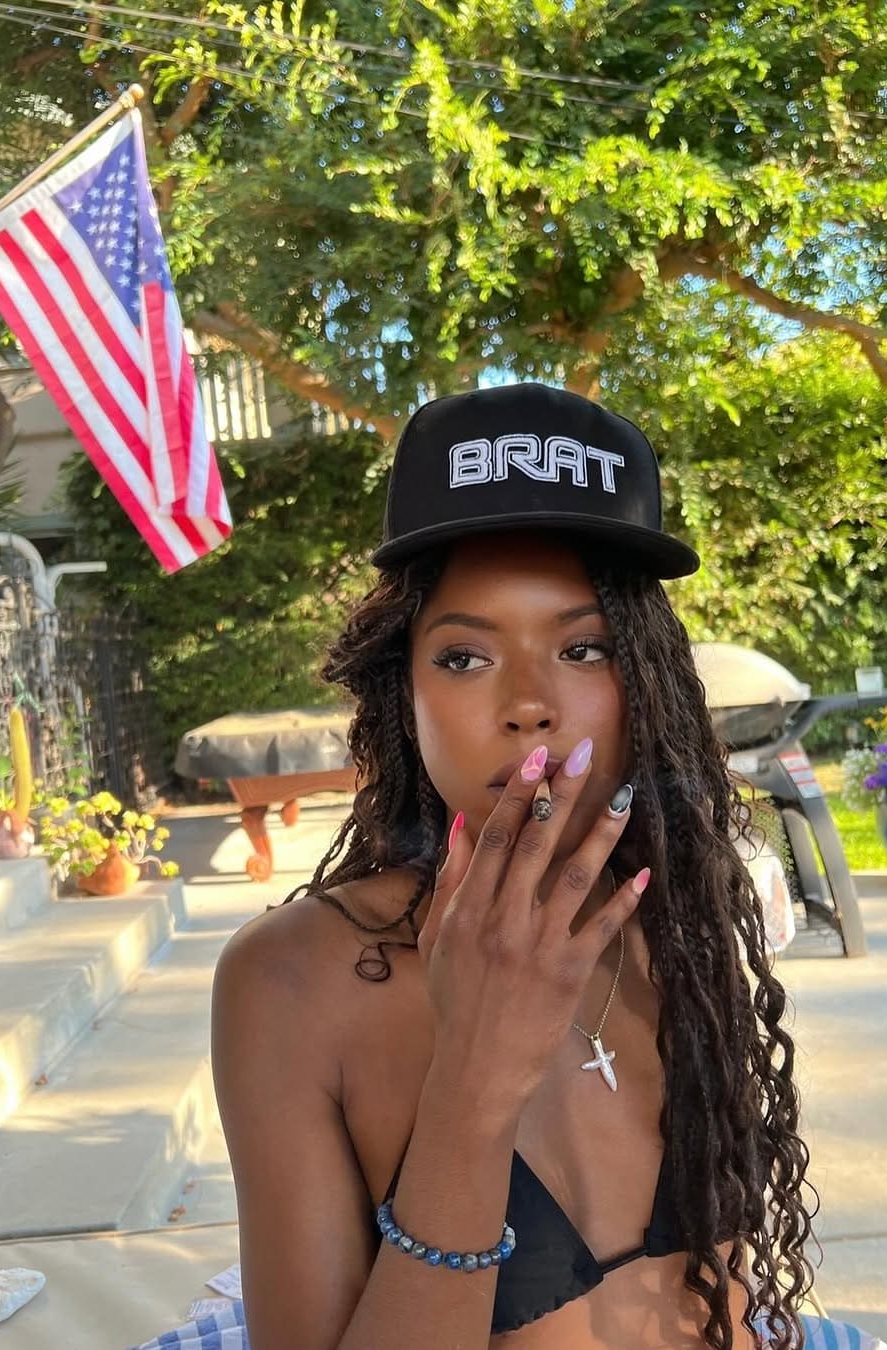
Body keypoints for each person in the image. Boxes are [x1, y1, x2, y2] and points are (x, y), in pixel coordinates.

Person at [210, 383, 817, 1350]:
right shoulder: (290, 979)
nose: (530, 704)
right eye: (464, 657)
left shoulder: (679, 921)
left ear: (649, 683)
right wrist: (475, 1080)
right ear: (402, 693)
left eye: (584, 648)